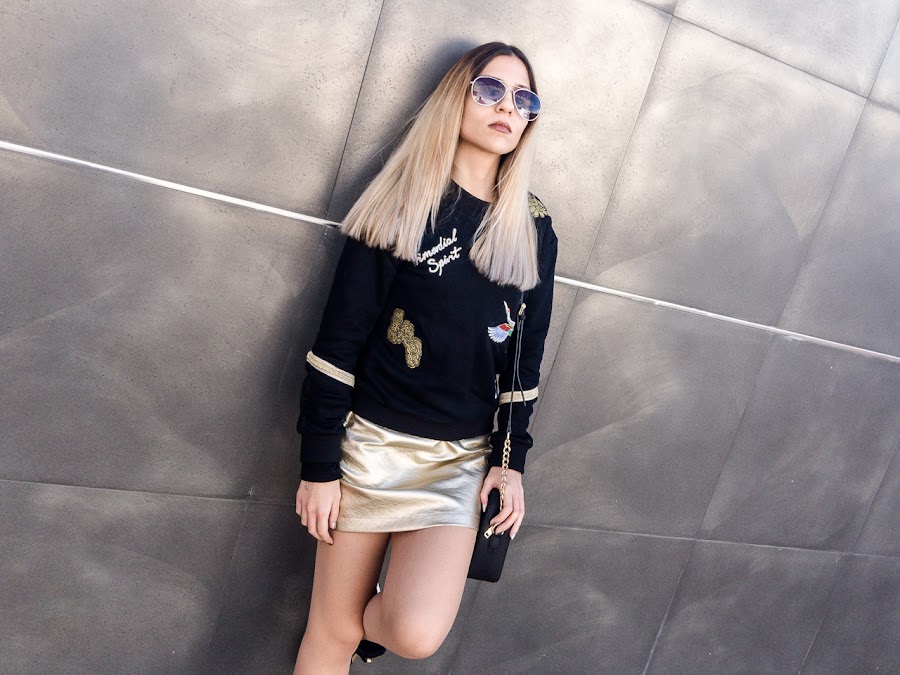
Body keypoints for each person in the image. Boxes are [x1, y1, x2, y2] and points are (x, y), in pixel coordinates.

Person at [292, 41, 558, 673]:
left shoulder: (533, 225)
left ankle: (354, 626)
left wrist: (511, 464)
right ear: (455, 99)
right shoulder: (407, 199)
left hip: (460, 461)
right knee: (329, 633)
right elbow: (337, 345)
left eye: (523, 98)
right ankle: (340, 628)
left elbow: (524, 362)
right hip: (369, 448)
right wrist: (319, 467)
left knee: (415, 634)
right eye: (489, 90)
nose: (507, 107)